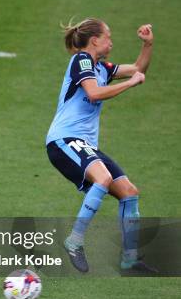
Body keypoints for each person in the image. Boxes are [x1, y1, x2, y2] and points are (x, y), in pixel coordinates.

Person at [45, 18, 156, 273]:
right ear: (95, 40)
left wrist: (147, 45)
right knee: (103, 178)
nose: (111, 41)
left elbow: (139, 68)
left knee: (129, 192)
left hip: (85, 145)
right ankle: (74, 241)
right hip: (64, 140)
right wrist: (129, 83)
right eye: (108, 36)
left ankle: (129, 258)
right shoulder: (82, 60)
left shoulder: (101, 67)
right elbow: (94, 93)